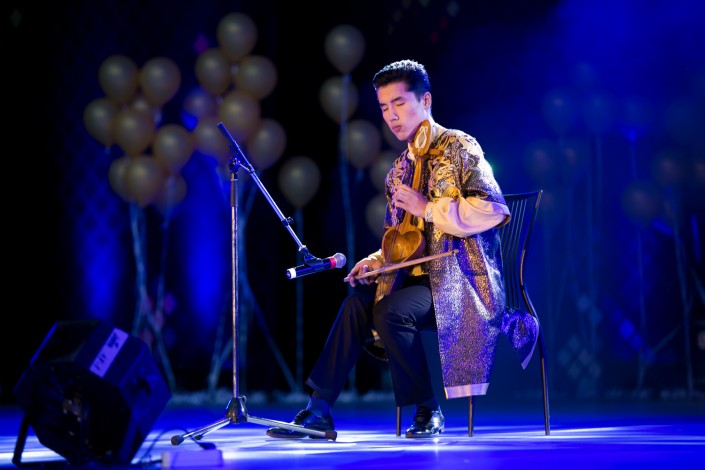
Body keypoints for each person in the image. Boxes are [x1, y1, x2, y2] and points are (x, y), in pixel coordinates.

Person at [266, 59, 511, 439]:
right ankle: (318, 411)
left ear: (425, 100)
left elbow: (493, 210)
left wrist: (428, 208)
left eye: (399, 103)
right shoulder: (398, 169)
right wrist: (375, 262)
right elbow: (400, 242)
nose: (392, 116)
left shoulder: (461, 146)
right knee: (356, 305)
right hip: (415, 283)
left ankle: (428, 409)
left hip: (461, 279)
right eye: (384, 107)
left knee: (391, 311)